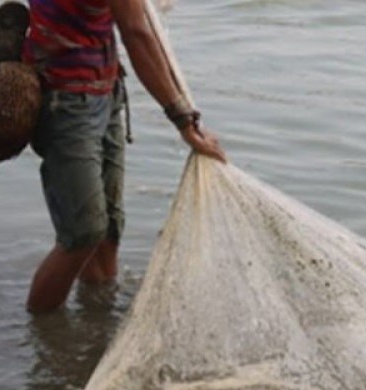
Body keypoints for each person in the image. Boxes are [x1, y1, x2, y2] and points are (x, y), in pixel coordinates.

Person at [23, 0, 226, 313]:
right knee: (82, 235)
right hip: (65, 102)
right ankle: (42, 338)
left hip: (103, 89)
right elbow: (136, 33)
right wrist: (183, 119)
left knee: (107, 233)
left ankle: (95, 326)